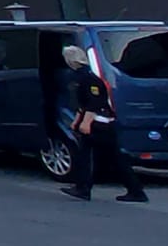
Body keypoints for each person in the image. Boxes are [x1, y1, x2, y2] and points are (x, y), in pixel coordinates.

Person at [61, 44, 145, 203]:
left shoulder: (88, 78)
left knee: (98, 157)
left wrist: (85, 123)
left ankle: (85, 188)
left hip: (100, 124)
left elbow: (94, 103)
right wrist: (76, 121)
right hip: (99, 123)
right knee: (93, 156)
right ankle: (84, 188)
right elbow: (83, 104)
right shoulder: (84, 76)